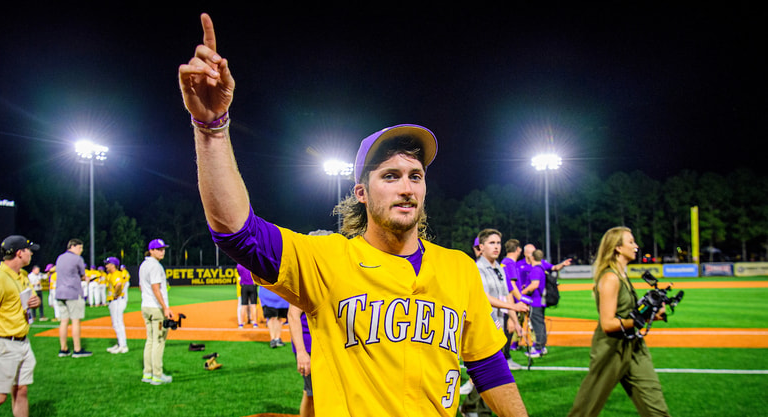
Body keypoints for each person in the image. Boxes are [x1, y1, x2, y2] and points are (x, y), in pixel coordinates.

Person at [178, 13, 527, 416]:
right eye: (390, 175)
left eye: (416, 175)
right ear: (361, 192)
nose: (406, 186)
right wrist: (211, 128)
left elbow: (489, 368)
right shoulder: (327, 260)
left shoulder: (459, 270)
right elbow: (237, 233)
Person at [568, 227, 670, 416]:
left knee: (656, 407)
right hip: (611, 350)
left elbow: (630, 314)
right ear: (617, 248)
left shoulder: (622, 275)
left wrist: (651, 314)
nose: (636, 246)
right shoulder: (610, 278)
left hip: (634, 346)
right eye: (631, 242)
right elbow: (608, 324)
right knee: (586, 409)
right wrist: (641, 320)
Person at [460, 230, 529, 416]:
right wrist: (512, 307)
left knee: (489, 373)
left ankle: (469, 407)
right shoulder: (476, 268)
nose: (497, 246)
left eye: (498, 242)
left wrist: (513, 320)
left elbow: (506, 294)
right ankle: (478, 410)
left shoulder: (499, 268)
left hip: (498, 324)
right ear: (481, 247)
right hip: (482, 328)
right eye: (491, 242)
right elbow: (484, 297)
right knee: (491, 372)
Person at [0, 235, 42, 417]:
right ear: (20, 253)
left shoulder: (23, 275)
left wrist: (34, 302)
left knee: (21, 390)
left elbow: (27, 300)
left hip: (22, 343)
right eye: (29, 250)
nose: (31, 254)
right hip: (2, 345)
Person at [139, 238, 175, 385]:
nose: (162, 252)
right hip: (155, 308)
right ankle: (157, 375)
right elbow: (156, 289)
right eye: (159, 249)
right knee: (159, 342)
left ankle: (147, 373)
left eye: (163, 249)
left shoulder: (144, 264)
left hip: (145, 306)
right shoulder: (155, 266)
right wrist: (165, 307)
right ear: (151, 250)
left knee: (150, 341)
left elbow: (142, 287)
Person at [54, 238, 92, 358]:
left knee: (64, 321)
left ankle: (63, 348)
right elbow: (82, 275)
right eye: (80, 247)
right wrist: (86, 279)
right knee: (76, 320)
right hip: (73, 292)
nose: (81, 250)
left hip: (60, 292)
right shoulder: (77, 259)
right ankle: (77, 349)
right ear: (73, 246)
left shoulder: (60, 257)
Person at [288, 303, 314, 417]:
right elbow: (293, 314)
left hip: (325, 345)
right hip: (308, 345)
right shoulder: (307, 285)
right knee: (311, 392)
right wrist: (301, 352)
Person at [521, 250, 548, 358]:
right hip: (540, 300)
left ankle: (539, 348)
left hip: (535, 301)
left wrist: (522, 292)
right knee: (539, 323)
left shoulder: (536, 269)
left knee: (537, 324)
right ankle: (541, 346)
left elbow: (535, 284)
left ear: (532, 257)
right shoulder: (541, 268)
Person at [105, 257, 129, 354]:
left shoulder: (116, 274)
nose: (106, 266)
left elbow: (118, 284)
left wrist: (115, 294)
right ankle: (120, 344)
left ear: (113, 265)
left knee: (118, 323)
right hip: (114, 301)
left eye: (108, 264)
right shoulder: (111, 274)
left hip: (117, 300)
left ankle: (123, 346)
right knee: (115, 323)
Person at [236, 263, 258, 328]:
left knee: (243, 305)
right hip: (252, 285)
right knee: (253, 305)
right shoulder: (253, 264)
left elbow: (239, 274)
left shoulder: (239, 265)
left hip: (244, 286)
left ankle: (241, 324)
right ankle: (255, 323)